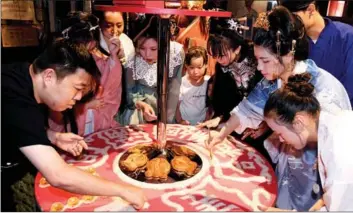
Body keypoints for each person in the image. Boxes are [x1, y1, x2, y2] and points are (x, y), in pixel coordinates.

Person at [209, 6, 351, 211]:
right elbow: (247, 110)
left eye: (264, 60)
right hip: (289, 165)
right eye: (257, 60)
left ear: (287, 54)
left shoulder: (326, 90)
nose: (259, 68)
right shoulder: (272, 81)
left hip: (322, 174)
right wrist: (221, 134)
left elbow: (339, 152)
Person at [1, 39, 146, 211]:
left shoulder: (24, 77)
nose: (78, 98)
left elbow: (17, 125)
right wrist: (124, 190)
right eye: (77, 88)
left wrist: (53, 136)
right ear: (49, 76)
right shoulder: (12, 95)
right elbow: (58, 175)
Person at [262, 74, 353, 211]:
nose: (280, 139)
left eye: (280, 133)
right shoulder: (331, 126)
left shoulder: (338, 149)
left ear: (298, 122)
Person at [49, 11, 124, 136]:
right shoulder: (59, 63)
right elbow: (55, 104)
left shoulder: (98, 58)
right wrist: (84, 106)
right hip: (68, 125)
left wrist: (113, 56)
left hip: (95, 120)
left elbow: (110, 86)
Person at [280, 0, 353, 106]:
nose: (291, 25)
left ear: (310, 10)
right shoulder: (294, 42)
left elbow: (349, 86)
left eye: (293, 17)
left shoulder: (348, 36)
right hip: (300, 109)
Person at [117, 16, 184, 125]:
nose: (147, 55)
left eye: (153, 49)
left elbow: (174, 90)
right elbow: (129, 94)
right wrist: (142, 105)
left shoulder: (175, 53)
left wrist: (167, 122)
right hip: (138, 111)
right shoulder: (132, 59)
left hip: (165, 108)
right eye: (142, 48)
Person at [176, 46, 211, 125]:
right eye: (192, 68)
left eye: (199, 67)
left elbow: (210, 107)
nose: (195, 72)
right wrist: (180, 121)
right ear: (186, 66)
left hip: (203, 125)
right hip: (185, 125)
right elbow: (176, 106)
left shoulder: (209, 82)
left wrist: (207, 121)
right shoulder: (181, 83)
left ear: (205, 65)